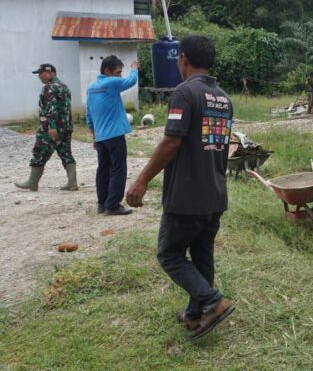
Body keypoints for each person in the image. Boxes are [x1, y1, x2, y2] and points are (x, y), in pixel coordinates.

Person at [126, 36, 235, 339]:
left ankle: (213, 302)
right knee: (202, 256)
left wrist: (141, 180)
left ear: (183, 59)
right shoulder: (223, 98)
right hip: (215, 193)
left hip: (187, 196)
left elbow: (172, 140)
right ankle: (194, 313)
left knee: (170, 254)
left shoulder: (185, 93)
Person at [86, 56, 138, 215]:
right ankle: (113, 205)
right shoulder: (111, 82)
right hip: (114, 135)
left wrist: (95, 136)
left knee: (103, 170)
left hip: (101, 137)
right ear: (107, 71)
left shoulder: (91, 87)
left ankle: (102, 204)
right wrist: (134, 68)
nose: (120, 76)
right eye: (118, 72)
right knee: (118, 169)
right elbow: (131, 81)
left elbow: (89, 115)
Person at [15, 64, 77, 192]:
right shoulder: (64, 87)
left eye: (41, 73)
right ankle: (72, 183)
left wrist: (51, 127)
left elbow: (51, 108)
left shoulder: (49, 87)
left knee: (39, 151)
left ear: (50, 73)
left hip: (52, 128)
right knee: (66, 153)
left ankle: (32, 182)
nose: (39, 76)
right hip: (66, 127)